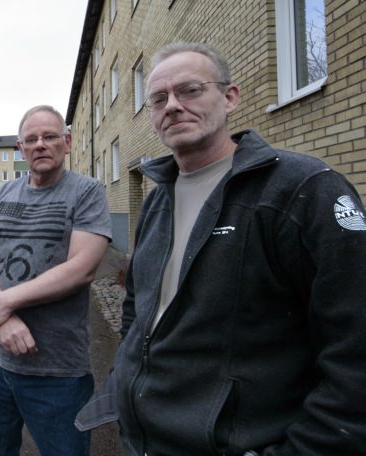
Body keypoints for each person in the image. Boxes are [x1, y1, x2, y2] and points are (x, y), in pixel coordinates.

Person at [108, 42, 366, 455]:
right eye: (158, 98)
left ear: (230, 98)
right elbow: (137, 305)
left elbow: (354, 349)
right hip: (146, 441)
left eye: (190, 90)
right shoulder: (157, 200)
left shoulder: (300, 190)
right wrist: (124, 375)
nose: (172, 105)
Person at [0, 105, 112, 455]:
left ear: (67, 142)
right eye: (31, 139)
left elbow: (82, 268)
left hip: (57, 370)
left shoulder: (87, 192)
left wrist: (5, 302)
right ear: (21, 148)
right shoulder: (2, 193)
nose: (40, 144)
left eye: (49, 136)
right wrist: (2, 319)